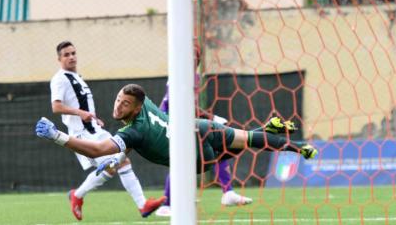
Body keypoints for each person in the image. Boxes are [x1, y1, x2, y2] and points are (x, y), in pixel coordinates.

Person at [36, 84, 318, 201]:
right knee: (247, 139)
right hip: (198, 128)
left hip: (196, 158)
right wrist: (116, 158)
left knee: (244, 144)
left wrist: (58, 136)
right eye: (118, 100)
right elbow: (136, 139)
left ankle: (284, 139)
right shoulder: (143, 106)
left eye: (124, 103)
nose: (118, 105)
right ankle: (293, 143)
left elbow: (98, 148)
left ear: (135, 109)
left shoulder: (134, 131)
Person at [50, 42, 165, 221]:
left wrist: (92, 117)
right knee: (120, 163)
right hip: (82, 133)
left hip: (94, 129)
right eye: (66, 54)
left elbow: (80, 104)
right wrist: (82, 113)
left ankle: (78, 195)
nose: (71, 57)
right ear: (59, 59)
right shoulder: (60, 79)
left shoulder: (76, 77)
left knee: (118, 163)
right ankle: (141, 205)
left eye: (73, 53)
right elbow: (56, 107)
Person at [155, 83, 254, 217]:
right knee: (181, 162)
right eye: (197, 59)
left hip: (180, 123)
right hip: (168, 125)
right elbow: (181, 105)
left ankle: (227, 192)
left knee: (216, 150)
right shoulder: (180, 71)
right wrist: (212, 118)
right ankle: (166, 205)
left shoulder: (191, 73)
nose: (198, 60)